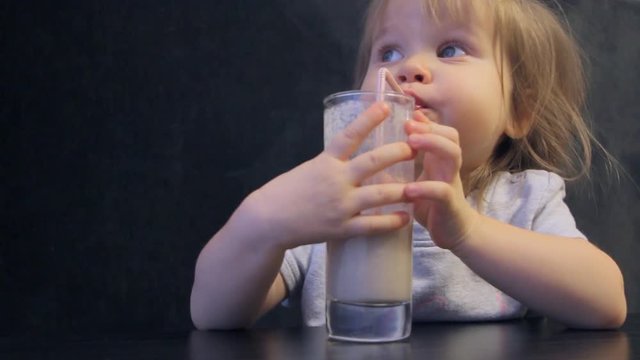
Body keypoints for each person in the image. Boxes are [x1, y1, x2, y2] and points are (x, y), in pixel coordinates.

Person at [190, 0, 627, 330]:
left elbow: (607, 302)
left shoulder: (523, 199)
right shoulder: (331, 202)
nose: (409, 69)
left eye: (451, 48)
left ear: (519, 111)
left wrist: (468, 232)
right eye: (389, 55)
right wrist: (265, 220)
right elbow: (213, 315)